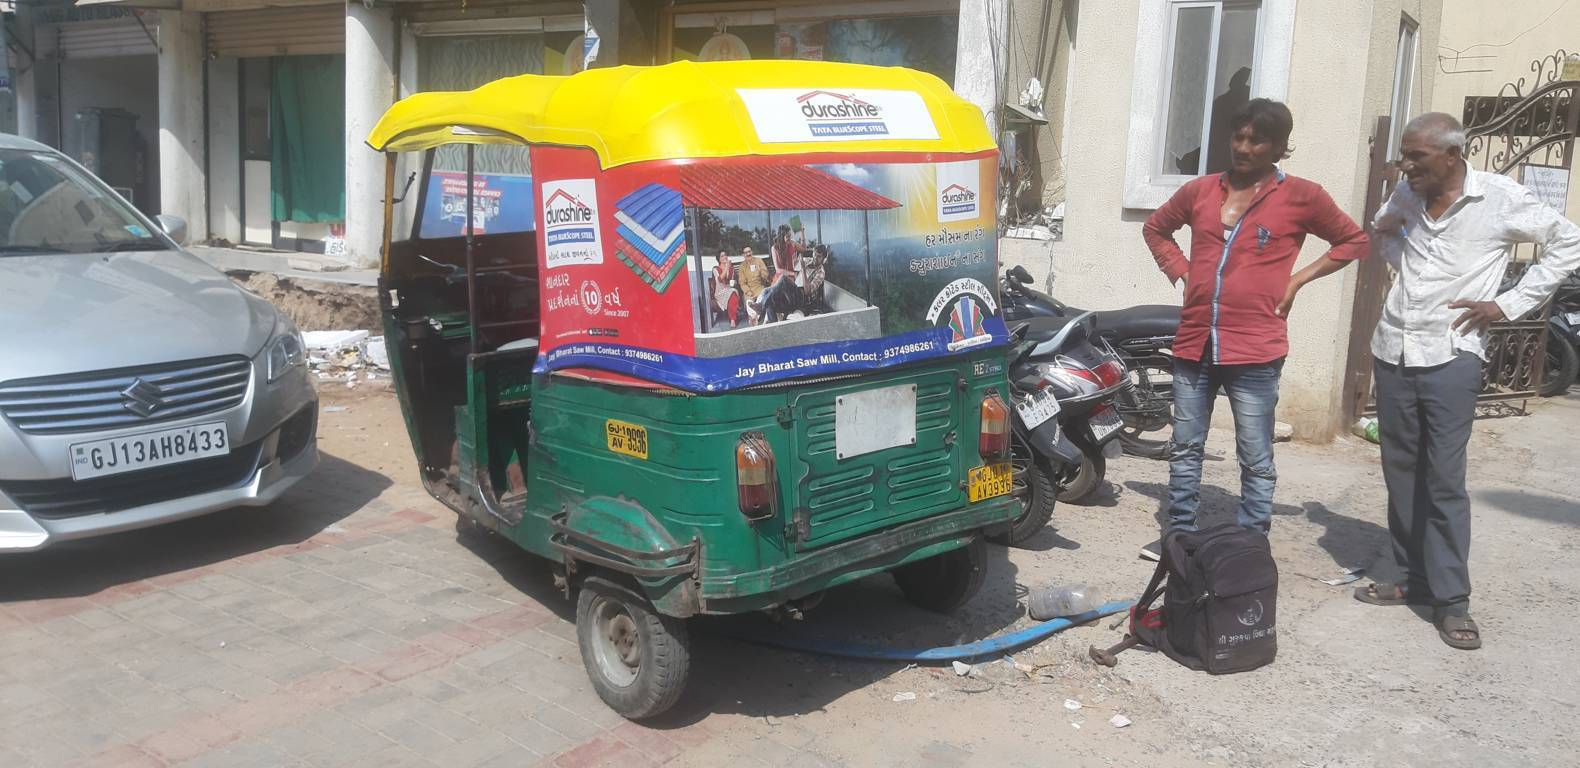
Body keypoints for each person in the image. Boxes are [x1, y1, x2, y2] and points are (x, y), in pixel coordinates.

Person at [1354, 112, 1580, 650]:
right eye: (1405, 155)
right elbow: (1382, 229)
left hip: (1451, 355)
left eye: (1417, 157)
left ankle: (1452, 602)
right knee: (1400, 471)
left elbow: (1568, 242)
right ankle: (1413, 579)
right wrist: (1401, 261)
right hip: (1394, 348)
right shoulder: (1408, 196)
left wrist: (1506, 304)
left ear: (1452, 156)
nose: (1406, 166)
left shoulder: (1499, 198)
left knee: (1444, 480)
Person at [1139, 98, 1369, 560]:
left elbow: (1354, 240)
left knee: (1255, 454)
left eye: (1256, 140)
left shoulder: (1303, 196)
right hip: (1195, 341)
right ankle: (1180, 535)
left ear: (1279, 147)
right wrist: (1182, 271)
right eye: (1238, 137)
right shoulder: (1201, 191)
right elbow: (1156, 228)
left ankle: (1248, 546)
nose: (1243, 148)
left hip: (1257, 346)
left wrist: (1298, 280)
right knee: (1185, 447)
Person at [756, 224, 804, 323]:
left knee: (768, 290)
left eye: (790, 235)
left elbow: (804, 249)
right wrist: (792, 273)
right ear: (781, 236)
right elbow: (778, 269)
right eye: (787, 236)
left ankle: (761, 306)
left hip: (790, 281)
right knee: (769, 294)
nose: (789, 238)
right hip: (779, 279)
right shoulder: (774, 248)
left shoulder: (793, 243)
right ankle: (773, 325)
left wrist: (802, 232)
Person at [736, 244, 772, 324]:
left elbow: (766, 276)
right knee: (749, 302)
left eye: (749, 251)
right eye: (746, 253)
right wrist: (747, 291)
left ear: (752, 252)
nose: (748, 254)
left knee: (762, 299)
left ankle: (761, 320)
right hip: (749, 289)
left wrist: (761, 271)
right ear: (743, 255)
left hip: (759, 287)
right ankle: (753, 318)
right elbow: (742, 283)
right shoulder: (742, 266)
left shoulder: (759, 260)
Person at [709, 250, 742, 329]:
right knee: (732, 293)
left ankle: (732, 319)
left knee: (733, 293)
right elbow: (720, 280)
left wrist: (734, 282)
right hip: (720, 291)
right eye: (722, 256)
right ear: (719, 259)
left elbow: (732, 280)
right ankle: (732, 317)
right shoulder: (715, 269)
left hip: (729, 289)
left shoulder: (731, 268)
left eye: (725, 255)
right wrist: (727, 267)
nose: (725, 257)